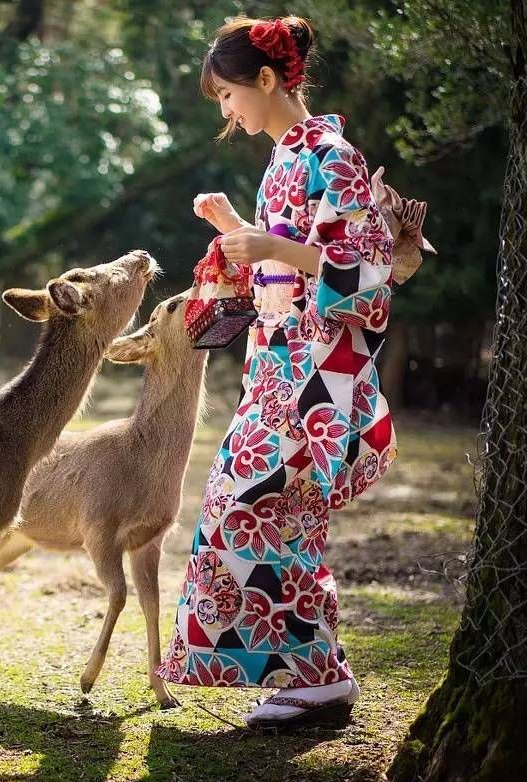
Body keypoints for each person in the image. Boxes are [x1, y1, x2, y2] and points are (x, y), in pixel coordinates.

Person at [156, 14, 397, 729]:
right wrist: (236, 229)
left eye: (229, 96)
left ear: (265, 80)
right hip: (276, 370)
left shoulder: (333, 155)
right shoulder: (284, 160)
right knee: (255, 514)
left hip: (317, 374)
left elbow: (368, 270)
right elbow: (280, 262)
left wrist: (268, 246)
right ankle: (318, 675)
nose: (228, 112)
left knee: (260, 511)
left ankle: (320, 677)